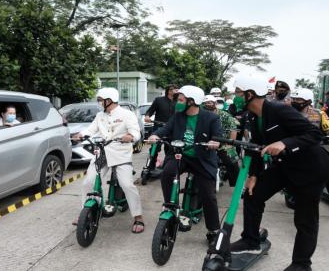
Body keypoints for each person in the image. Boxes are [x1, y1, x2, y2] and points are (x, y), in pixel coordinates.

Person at [228, 76, 329, 271]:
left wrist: (285, 143)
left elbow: (315, 135)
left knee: (304, 219)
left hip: (311, 168)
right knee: (252, 195)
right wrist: (253, 176)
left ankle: (301, 264)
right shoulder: (251, 116)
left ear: (250, 94)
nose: (235, 97)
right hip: (284, 166)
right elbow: (256, 148)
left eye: (238, 93)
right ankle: (250, 240)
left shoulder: (280, 110)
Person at [148, 85, 222, 247]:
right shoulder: (178, 116)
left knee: (208, 195)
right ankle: (170, 207)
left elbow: (218, 136)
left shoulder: (211, 118)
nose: (178, 103)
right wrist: (155, 135)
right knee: (167, 173)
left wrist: (214, 142)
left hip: (202, 159)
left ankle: (214, 230)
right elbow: (166, 128)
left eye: (181, 100)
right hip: (180, 155)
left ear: (192, 101)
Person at [72, 88, 145, 233]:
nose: (99, 102)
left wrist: (131, 136)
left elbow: (136, 132)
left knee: (127, 184)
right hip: (103, 153)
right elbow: (91, 130)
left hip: (120, 154)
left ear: (109, 100)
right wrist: (81, 134)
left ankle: (138, 217)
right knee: (88, 182)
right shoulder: (100, 115)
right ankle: (84, 213)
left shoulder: (126, 114)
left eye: (100, 100)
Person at [202, 95, 240, 186]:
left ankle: (238, 185)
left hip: (224, 143)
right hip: (206, 142)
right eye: (206, 103)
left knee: (231, 161)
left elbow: (233, 129)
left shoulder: (225, 115)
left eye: (210, 102)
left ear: (215, 103)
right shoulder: (201, 115)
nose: (208, 105)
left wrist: (230, 144)